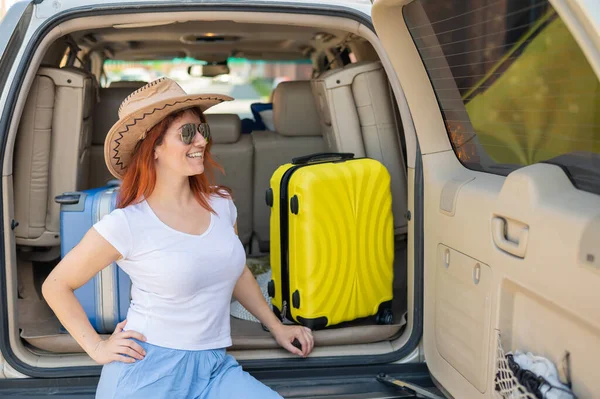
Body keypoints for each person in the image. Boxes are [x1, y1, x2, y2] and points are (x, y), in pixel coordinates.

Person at [42, 77, 314, 398]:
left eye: (202, 130)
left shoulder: (222, 204)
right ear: (153, 146)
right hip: (147, 369)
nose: (200, 141)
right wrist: (97, 347)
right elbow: (56, 286)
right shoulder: (126, 224)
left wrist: (276, 326)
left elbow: (236, 270)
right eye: (187, 133)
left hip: (214, 367)